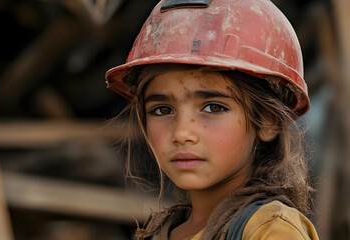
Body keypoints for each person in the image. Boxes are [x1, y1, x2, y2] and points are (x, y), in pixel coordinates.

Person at [105, 0, 319, 239]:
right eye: (163, 110)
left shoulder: (269, 230)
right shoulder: (159, 230)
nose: (182, 133)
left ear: (268, 121)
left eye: (213, 107)